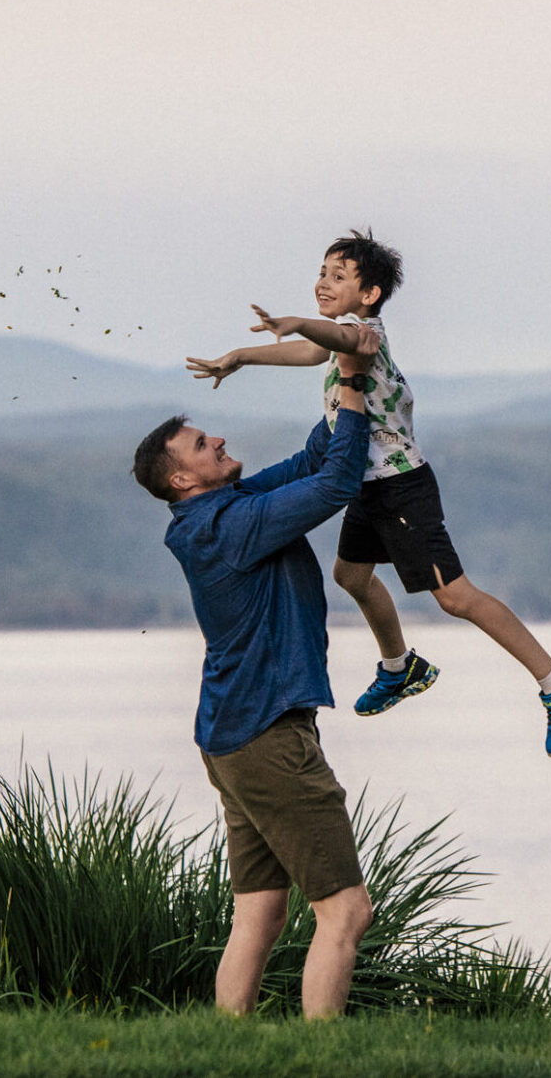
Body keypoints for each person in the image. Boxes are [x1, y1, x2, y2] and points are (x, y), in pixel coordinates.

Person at [184, 229, 551, 758]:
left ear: (370, 294)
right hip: (368, 486)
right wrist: (240, 356)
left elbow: (339, 341)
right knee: (350, 575)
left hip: (402, 488)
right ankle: (401, 668)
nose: (323, 282)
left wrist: (293, 321)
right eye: (321, 273)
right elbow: (315, 351)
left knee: (455, 597)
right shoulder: (338, 338)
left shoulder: (364, 335)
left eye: (338, 276)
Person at [130, 350, 376, 1019]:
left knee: (260, 913)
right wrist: (354, 387)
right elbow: (335, 484)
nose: (220, 442)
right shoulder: (232, 527)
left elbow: (308, 464)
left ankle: (227, 1045)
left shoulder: (225, 509)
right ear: (183, 477)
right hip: (266, 736)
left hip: (230, 738)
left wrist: (346, 380)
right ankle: (323, 1059)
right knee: (346, 909)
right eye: (205, 444)